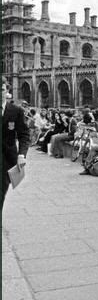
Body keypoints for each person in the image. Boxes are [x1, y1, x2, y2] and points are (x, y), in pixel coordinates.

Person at [2, 78, 30, 209]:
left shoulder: (16, 111)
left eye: (1, 90)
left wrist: (22, 155)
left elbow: (24, 135)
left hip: (6, 161)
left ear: (7, 91)